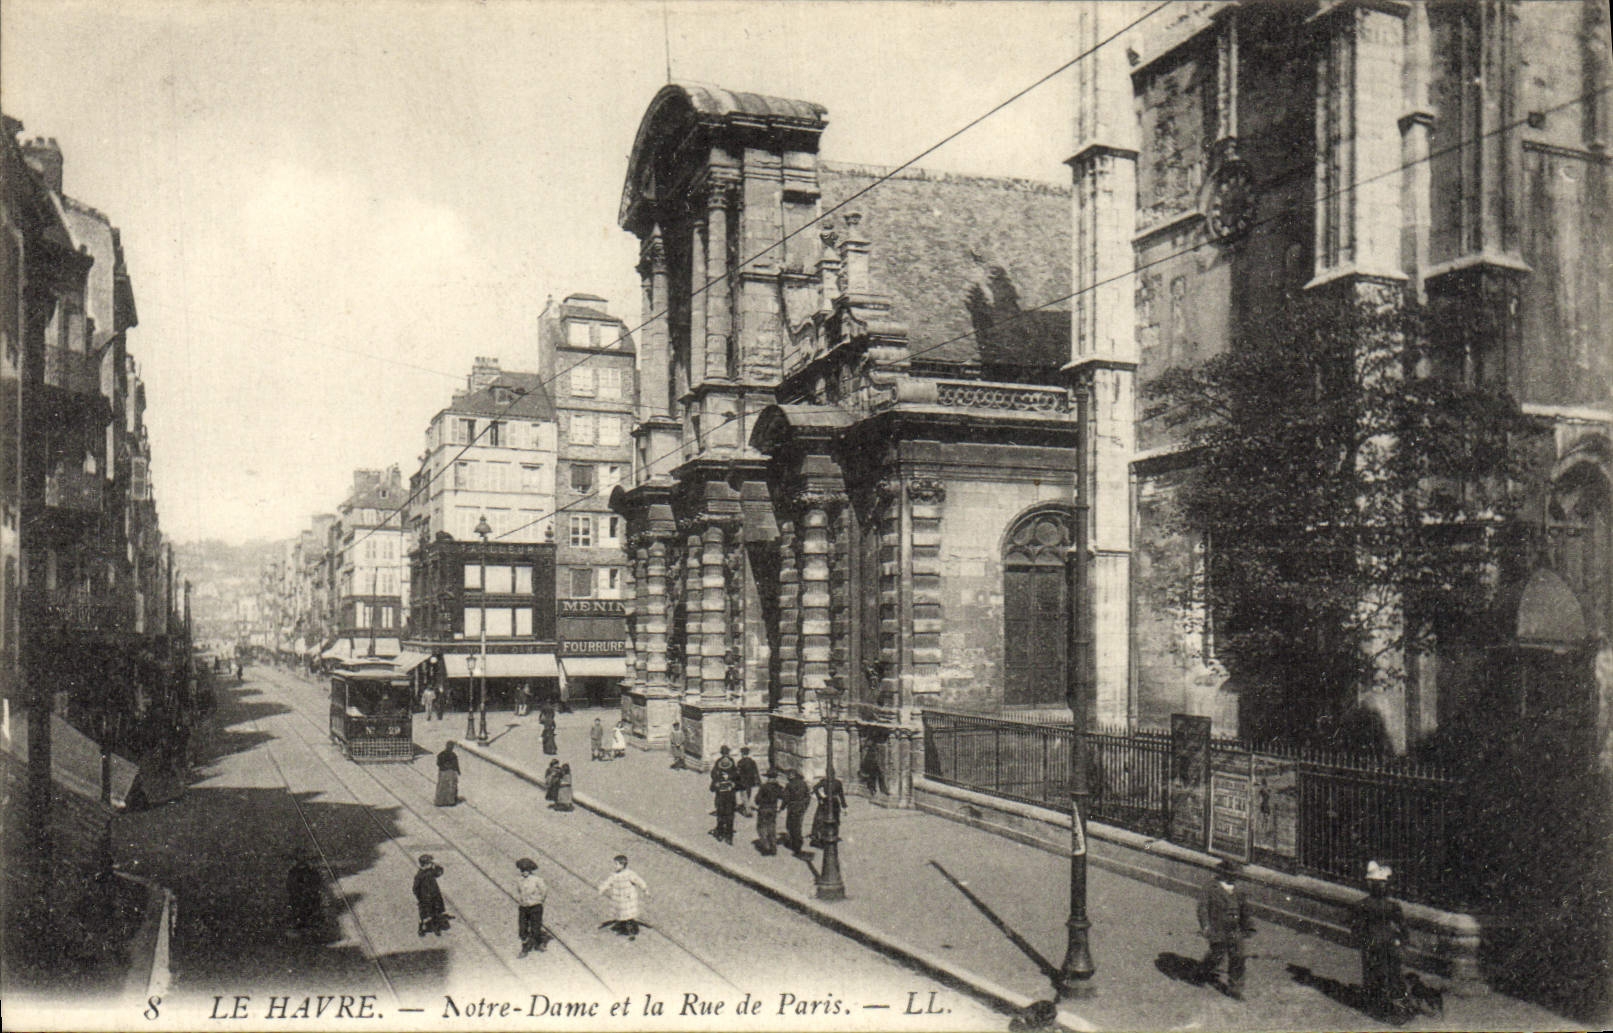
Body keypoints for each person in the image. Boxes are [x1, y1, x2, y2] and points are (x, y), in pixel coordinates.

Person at [1354, 860, 1408, 1018]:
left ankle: (1374, 1003)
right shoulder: (1393, 906)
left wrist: (1360, 939)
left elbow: (1356, 926)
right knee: (1393, 971)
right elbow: (1403, 926)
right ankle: (1395, 1002)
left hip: (1371, 941)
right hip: (1390, 941)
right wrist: (1402, 941)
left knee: (1372, 971)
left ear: (1370, 885)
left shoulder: (1362, 905)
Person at [1196, 858, 1254, 999]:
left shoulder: (1238, 890)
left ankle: (1235, 987)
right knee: (1217, 954)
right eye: (1232, 874)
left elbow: (1244, 909)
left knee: (1238, 956)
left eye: (1236, 875)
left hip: (1234, 928)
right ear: (1223, 874)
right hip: (1217, 927)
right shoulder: (1210, 887)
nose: (1234, 878)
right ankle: (1203, 971)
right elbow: (1202, 908)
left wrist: (1248, 926)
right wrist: (1206, 926)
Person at [597, 854, 648, 940]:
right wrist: (602, 889)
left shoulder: (629, 874)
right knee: (621, 913)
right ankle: (621, 927)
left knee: (628, 917)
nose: (614, 866)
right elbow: (608, 882)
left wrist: (645, 889)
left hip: (628, 898)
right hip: (619, 899)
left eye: (616, 864)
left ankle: (631, 932)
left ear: (622, 865)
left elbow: (638, 880)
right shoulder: (614, 875)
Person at [515, 858, 548, 957]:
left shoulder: (537, 880)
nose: (524, 872)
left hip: (535, 907)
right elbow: (519, 891)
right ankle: (524, 948)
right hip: (524, 907)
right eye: (522, 870)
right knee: (522, 928)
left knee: (535, 927)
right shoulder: (519, 880)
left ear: (530, 870)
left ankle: (538, 944)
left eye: (526, 870)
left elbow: (544, 891)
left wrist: (538, 900)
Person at [286, 851, 323, 937]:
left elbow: (316, 882)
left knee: (306, 907)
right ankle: (306, 925)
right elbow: (290, 885)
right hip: (302, 896)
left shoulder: (308, 871)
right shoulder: (295, 872)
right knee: (303, 908)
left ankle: (308, 925)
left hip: (305, 895)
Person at [809, 768, 847, 849]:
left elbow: (815, 788)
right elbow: (841, 795)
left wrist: (820, 798)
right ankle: (832, 836)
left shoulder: (825, 782)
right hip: (833, 802)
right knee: (833, 819)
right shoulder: (837, 782)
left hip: (827, 802)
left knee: (822, 819)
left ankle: (823, 837)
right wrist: (844, 806)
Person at [414, 854, 449, 936]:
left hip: (434, 896)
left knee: (435, 912)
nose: (431, 864)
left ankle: (436, 928)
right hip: (425, 898)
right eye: (430, 863)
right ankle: (421, 929)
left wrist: (438, 866)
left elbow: (439, 873)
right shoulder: (420, 875)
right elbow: (415, 888)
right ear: (426, 864)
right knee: (423, 915)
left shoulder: (429, 872)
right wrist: (420, 898)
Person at [710, 746, 738, 844]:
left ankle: (721, 833)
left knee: (722, 814)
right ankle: (727, 835)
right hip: (729, 795)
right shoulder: (730, 762)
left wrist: (717, 783)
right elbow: (736, 776)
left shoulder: (719, 762)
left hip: (723, 794)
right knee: (728, 814)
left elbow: (713, 774)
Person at [754, 770, 783, 856]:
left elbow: (757, 800)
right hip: (773, 809)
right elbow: (783, 796)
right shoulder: (778, 787)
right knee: (771, 828)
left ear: (768, 777)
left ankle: (766, 847)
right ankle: (773, 847)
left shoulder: (764, 787)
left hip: (763, 809)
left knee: (761, 827)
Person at [783, 769, 812, 854]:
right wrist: (805, 805)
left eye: (788, 775)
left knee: (791, 825)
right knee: (798, 825)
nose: (787, 777)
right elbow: (808, 796)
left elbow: (786, 798)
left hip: (792, 807)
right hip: (801, 807)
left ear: (792, 775)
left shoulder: (789, 785)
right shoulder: (803, 783)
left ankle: (796, 845)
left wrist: (781, 807)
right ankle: (797, 843)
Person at [735, 746, 760, 817]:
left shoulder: (740, 762)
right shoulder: (752, 762)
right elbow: (756, 772)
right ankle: (747, 807)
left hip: (742, 782)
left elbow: (738, 773)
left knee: (744, 795)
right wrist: (758, 781)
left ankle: (747, 811)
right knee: (748, 794)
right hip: (750, 782)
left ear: (742, 754)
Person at [434, 741, 460, 807]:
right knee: (444, 786)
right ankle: (441, 801)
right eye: (449, 746)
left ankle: (450, 801)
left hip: (449, 772)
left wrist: (457, 770)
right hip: (444, 772)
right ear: (446, 746)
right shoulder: (442, 754)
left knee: (450, 786)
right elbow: (438, 763)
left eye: (451, 747)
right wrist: (446, 766)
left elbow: (456, 764)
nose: (450, 748)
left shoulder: (452, 755)